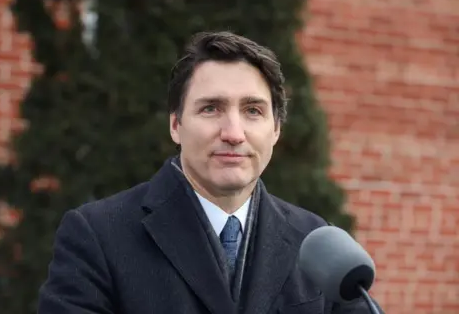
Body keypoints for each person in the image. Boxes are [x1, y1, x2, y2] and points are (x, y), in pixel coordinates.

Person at [38, 31, 383, 314]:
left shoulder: (316, 243)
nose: (233, 132)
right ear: (176, 125)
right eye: (211, 108)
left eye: (253, 110)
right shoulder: (97, 236)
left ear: (276, 129)